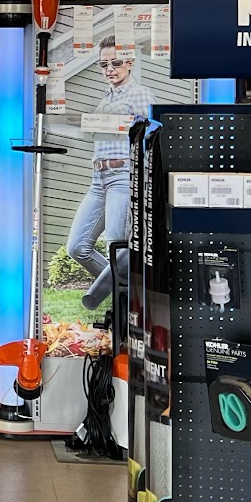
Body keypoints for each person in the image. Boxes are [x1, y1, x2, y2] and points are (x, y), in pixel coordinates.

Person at [66, 42, 150, 311]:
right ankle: (126, 293)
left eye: (115, 63)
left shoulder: (138, 94)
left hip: (122, 175)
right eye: (104, 64)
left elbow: (151, 133)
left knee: (118, 246)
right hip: (98, 178)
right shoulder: (106, 97)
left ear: (130, 62)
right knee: (77, 247)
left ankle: (126, 303)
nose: (109, 69)